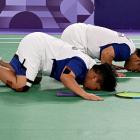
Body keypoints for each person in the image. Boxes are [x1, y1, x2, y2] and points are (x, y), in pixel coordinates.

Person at [0, 32, 116, 101]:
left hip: (39, 50)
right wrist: (85, 94)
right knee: (22, 85)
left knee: (34, 80)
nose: (92, 90)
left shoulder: (89, 69)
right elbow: (66, 77)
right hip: (36, 47)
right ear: (95, 78)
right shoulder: (81, 63)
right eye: (96, 88)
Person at [61, 23, 140, 72]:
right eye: (137, 69)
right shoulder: (126, 51)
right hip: (76, 37)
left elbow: (104, 47)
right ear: (137, 60)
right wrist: (109, 72)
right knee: (80, 72)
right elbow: (106, 53)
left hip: (76, 32)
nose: (134, 71)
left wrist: (110, 65)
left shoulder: (130, 45)